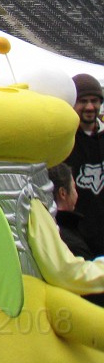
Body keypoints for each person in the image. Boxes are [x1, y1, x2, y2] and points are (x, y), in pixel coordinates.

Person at [65, 73, 104, 255]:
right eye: (83, 101)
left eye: (94, 101)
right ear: (73, 103)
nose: (90, 107)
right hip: (76, 238)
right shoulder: (64, 141)